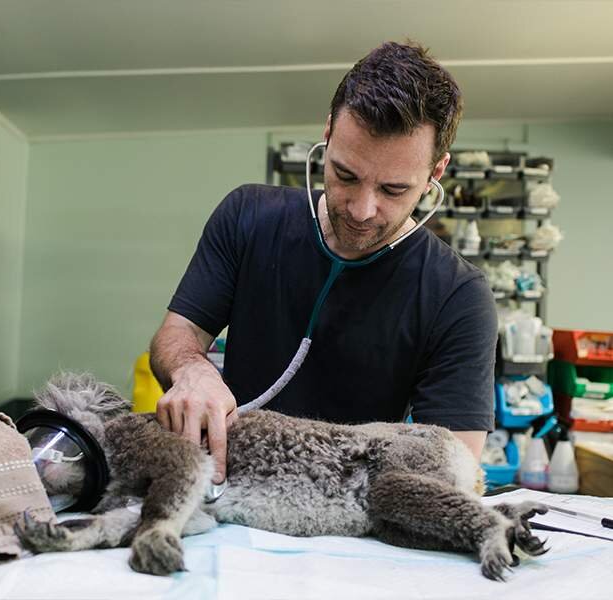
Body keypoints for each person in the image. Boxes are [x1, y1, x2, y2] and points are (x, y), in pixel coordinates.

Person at [150, 41, 498, 485]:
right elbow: (176, 333)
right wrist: (192, 371)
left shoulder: (458, 295)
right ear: (328, 133)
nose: (361, 210)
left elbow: (454, 466)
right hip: (231, 485)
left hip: (356, 508)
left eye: (393, 190)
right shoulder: (248, 216)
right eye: (346, 175)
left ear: (437, 172)